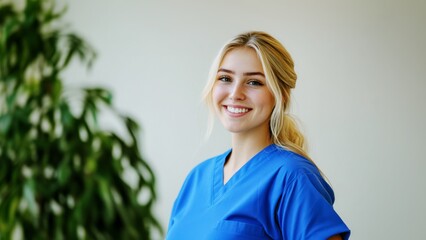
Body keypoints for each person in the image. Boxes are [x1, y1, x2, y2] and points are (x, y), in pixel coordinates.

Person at [166, 31, 350, 240]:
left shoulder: (292, 177)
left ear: (280, 94)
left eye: (254, 82)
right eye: (225, 78)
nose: (235, 93)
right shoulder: (197, 178)